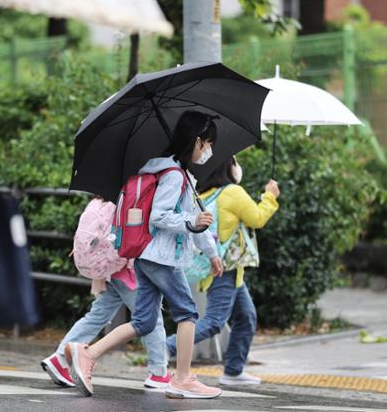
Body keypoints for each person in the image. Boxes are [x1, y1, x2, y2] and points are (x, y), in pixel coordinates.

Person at [65, 110, 224, 399]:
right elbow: (159, 216)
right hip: (162, 257)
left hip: (147, 256)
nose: (209, 150)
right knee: (187, 313)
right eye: (208, 143)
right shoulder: (174, 175)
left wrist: (211, 251)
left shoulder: (179, 174)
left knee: (144, 322)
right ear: (197, 141)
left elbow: (191, 219)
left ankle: (87, 353)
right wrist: (191, 222)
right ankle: (183, 378)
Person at [166, 156, 280, 386]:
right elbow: (257, 218)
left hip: (225, 268)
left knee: (246, 316)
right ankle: (165, 346)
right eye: (235, 161)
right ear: (227, 167)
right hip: (225, 268)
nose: (238, 167)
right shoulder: (232, 192)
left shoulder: (204, 196)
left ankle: (234, 371)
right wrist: (270, 196)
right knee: (215, 321)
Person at [42, 200, 170, 389]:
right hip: (128, 271)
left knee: (96, 317)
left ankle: (60, 358)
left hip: (108, 271)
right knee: (151, 318)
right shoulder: (127, 200)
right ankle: (159, 373)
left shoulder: (98, 201)